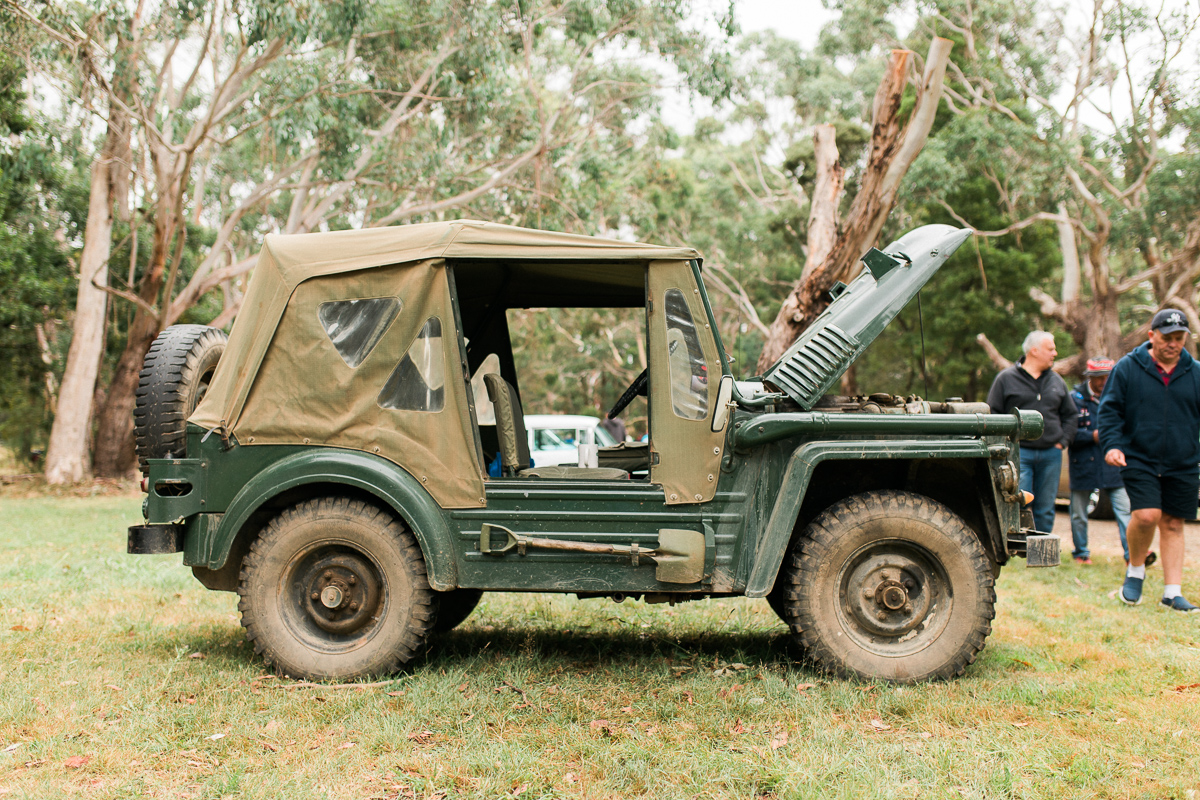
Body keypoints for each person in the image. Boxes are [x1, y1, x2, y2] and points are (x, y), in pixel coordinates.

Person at [1100, 309, 1200, 612]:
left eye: (1179, 338)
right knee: (1146, 515)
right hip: (1138, 456)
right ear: (1151, 335)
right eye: (1167, 337)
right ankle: (1135, 571)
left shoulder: (1195, 372)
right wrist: (1112, 445)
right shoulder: (1128, 368)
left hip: (1183, 460)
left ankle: (1172, 593)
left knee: (1173, 522)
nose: (1173, 343)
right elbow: (1110, 411)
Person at [987, 331, 1079, 535]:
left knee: (1046, 507)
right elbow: (993, 414)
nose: (1055, 353)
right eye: (1051, 349)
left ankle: (1042, 545)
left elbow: (1071, 415)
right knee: (1016, 502)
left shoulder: (1056, 381)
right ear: (1034, 351)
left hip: (1051, 453)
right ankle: (1015, 543)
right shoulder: (1005, 379)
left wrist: (1062, 442)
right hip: (1019, 453)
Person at [1067, 357, 1139, 566]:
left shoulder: (1120, 397)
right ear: (1090, 377)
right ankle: (1081, 553)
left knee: (1125, 511)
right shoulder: (1074, 399)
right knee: (1079, 513)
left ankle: (1132, 555)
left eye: (1108, 377)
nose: (1104, 382)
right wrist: (1092, 436)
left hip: (1113, 464)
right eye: (1099, 377)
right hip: (1083, 463)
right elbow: (1068, 432)